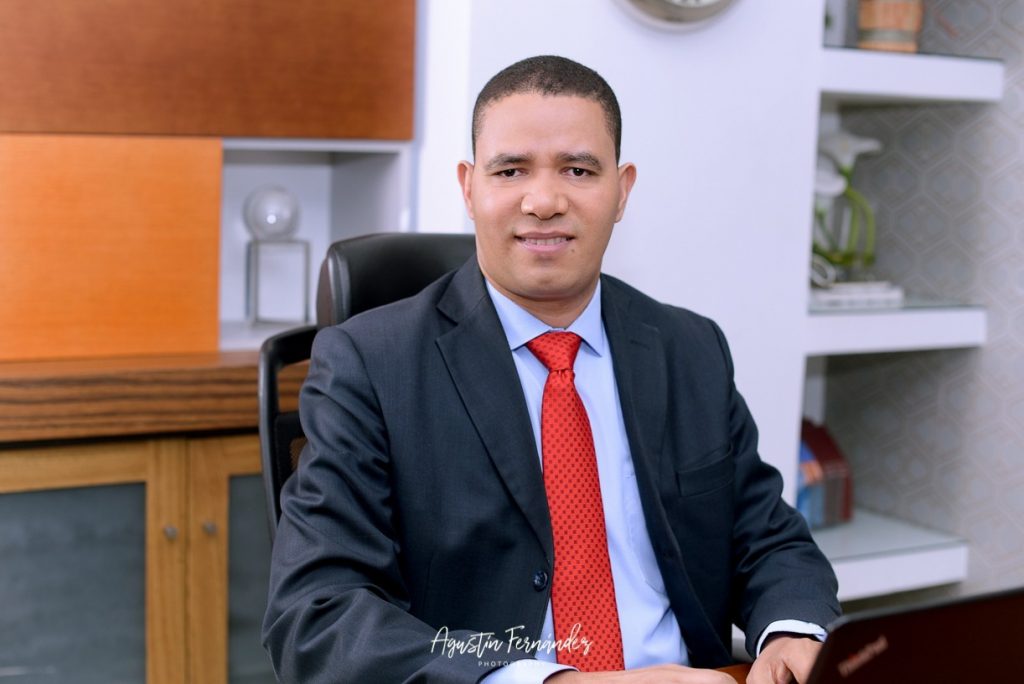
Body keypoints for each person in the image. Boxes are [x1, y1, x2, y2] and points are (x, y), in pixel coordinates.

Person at [263, 55, 840, 684]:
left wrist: (792, 631)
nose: (543, 201)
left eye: (578, 170)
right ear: (469, 188)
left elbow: (768, 538)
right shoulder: (370, 363)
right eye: (510, 170)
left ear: (622, 191)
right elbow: (318, 614)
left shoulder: (689, 348)